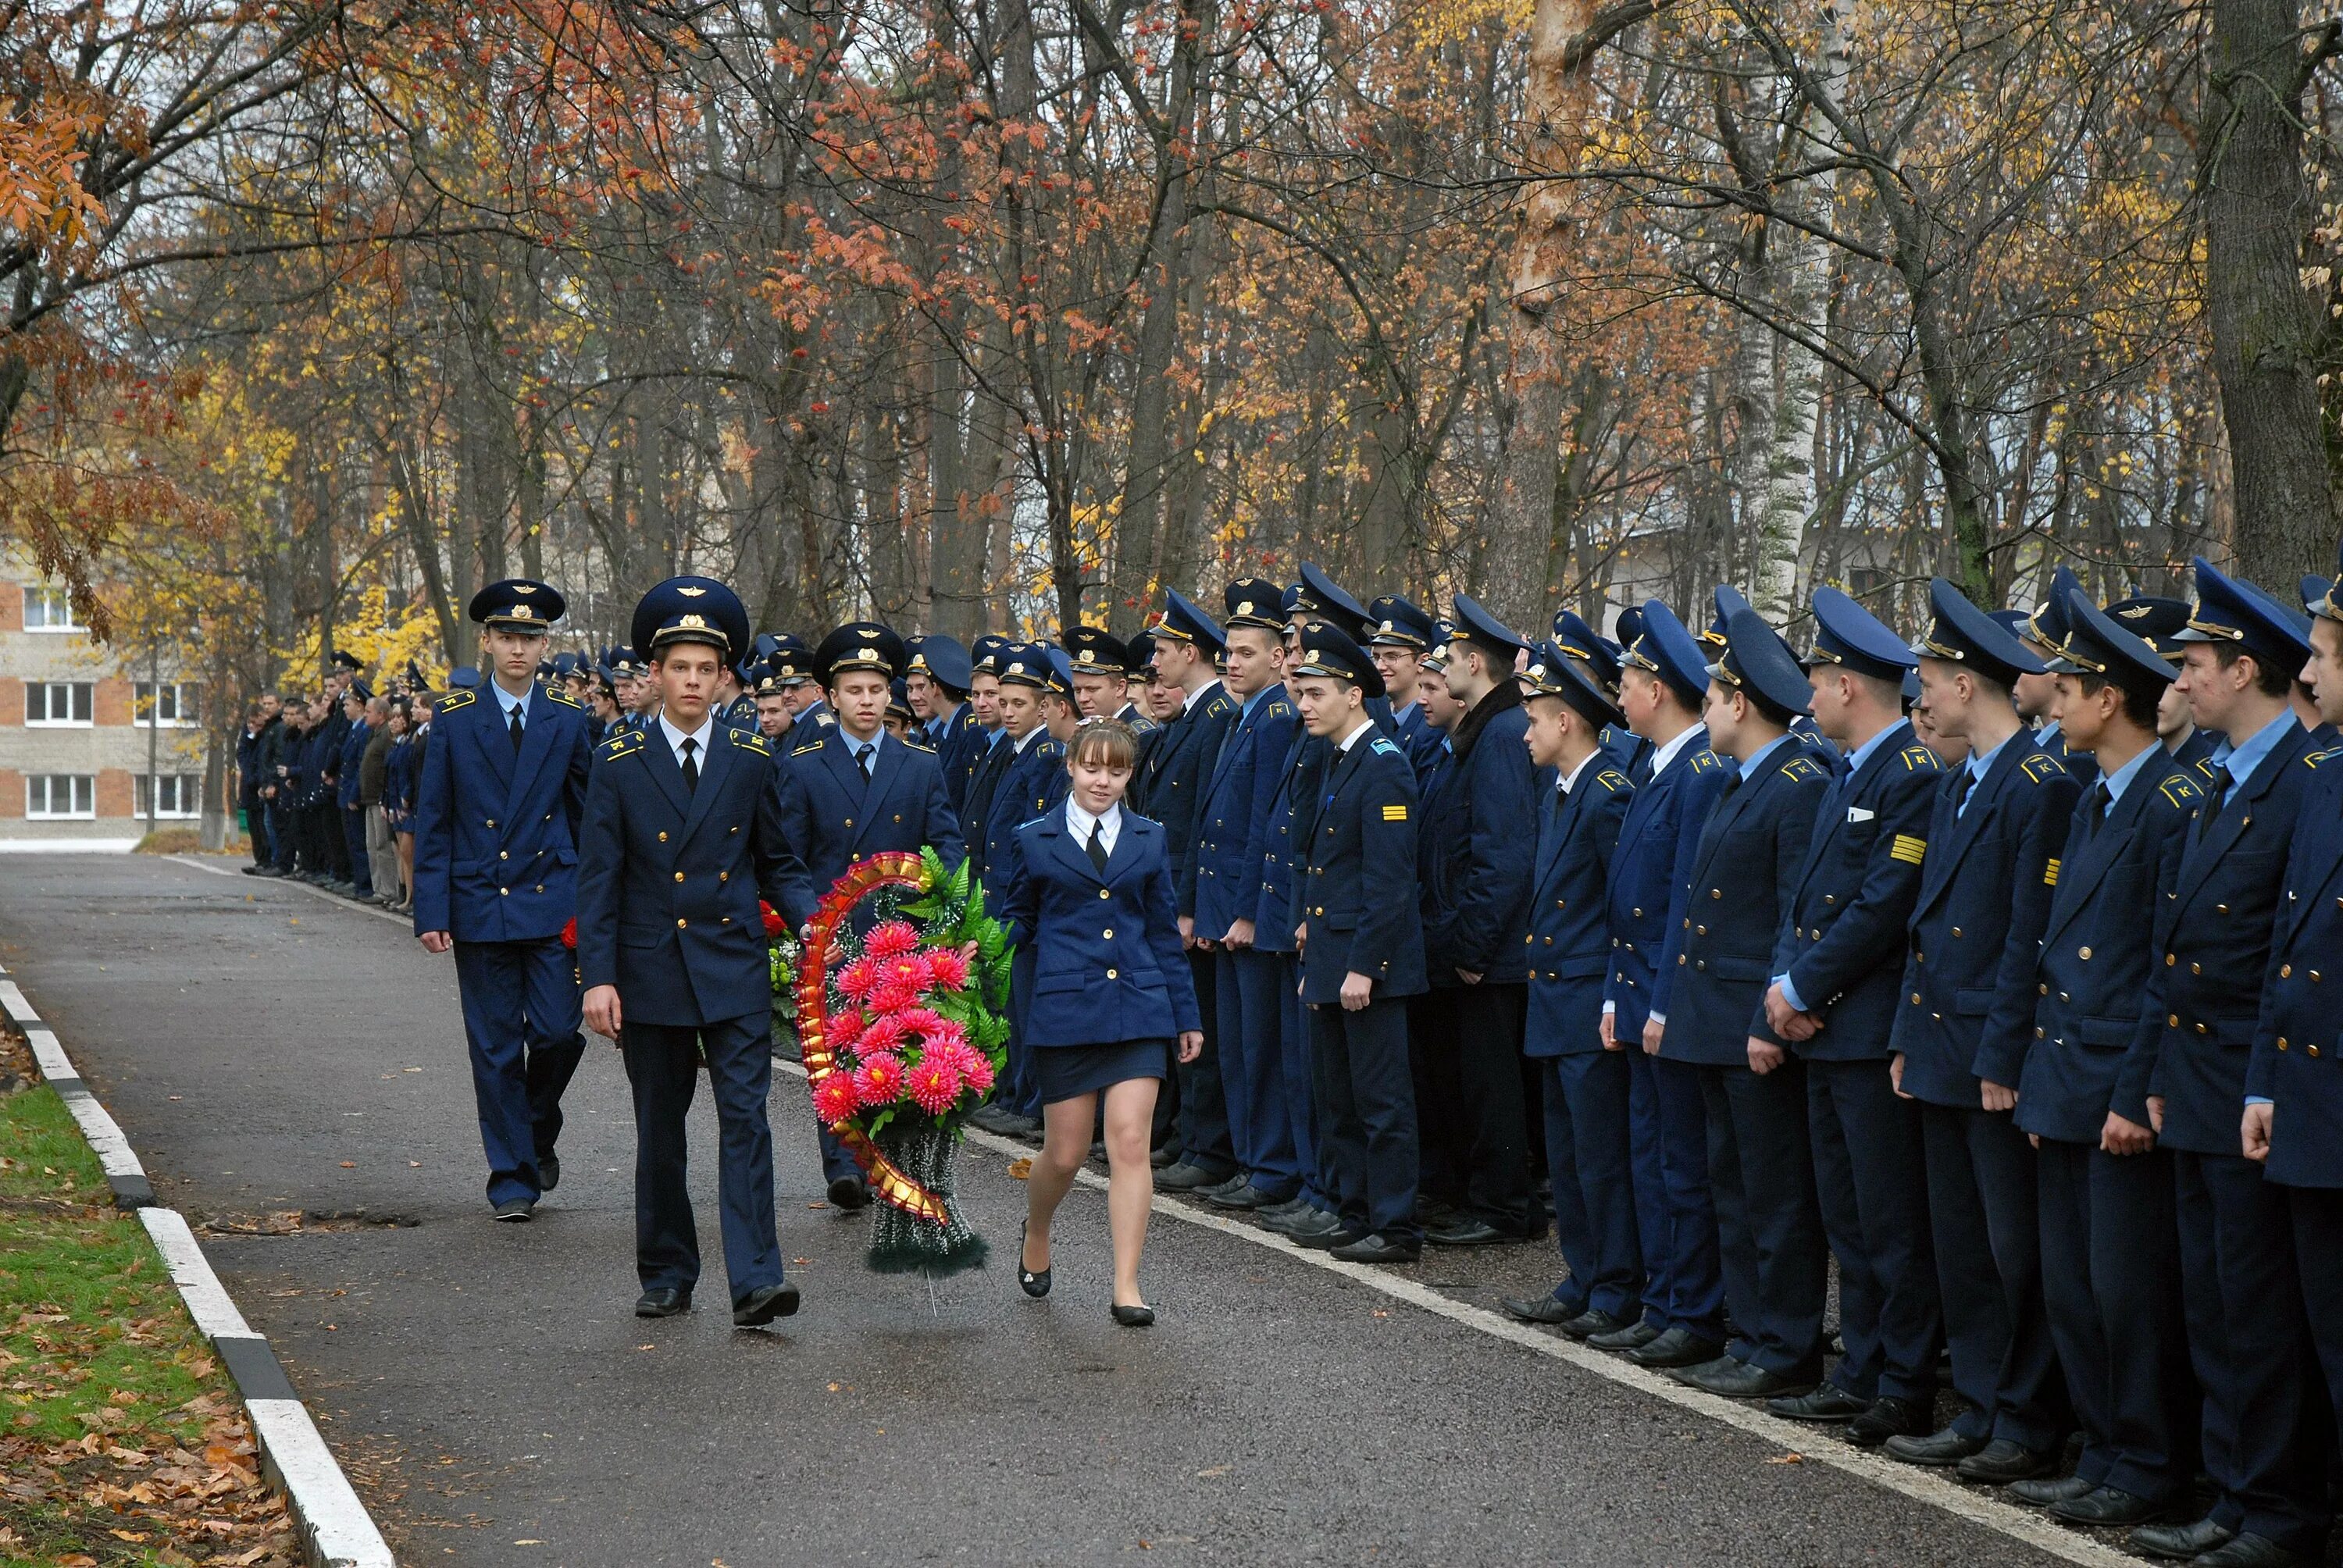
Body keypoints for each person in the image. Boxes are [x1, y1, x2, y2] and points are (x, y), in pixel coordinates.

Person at [2132, 560, 2327, 1567]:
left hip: (2256, 1079)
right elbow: (2179, 947)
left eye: (2194, 664)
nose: (2181, 682)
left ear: (2245, 670)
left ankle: (2280, 1509)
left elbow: (2276, 955)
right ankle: (2235, 1491)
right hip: (2196, 1077)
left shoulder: (2301, 783)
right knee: (2214, 1305)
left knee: (2258, 1313)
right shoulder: (2216, 778)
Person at [2011, 590, 2202, 1527]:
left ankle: (2148, 1462)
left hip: (2113, 1079)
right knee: (2076, 1287)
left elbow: (2162, 967)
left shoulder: (2169, 805)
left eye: (2074, 684)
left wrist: (2134, 1091)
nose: (2056, 696)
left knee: (2129, 1294)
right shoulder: (2096, 796)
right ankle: (2102, 1449)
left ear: (2112, 700)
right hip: (2065, 1070)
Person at [576, 577, 813, 1327]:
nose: (691, 682)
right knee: (662, 1126)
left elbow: (778, 862)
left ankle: (755, 1280)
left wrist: (819, 924)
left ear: (723, 678)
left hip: (732, 962)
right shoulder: (617, 759)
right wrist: (599, 978)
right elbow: (600, 876)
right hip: (651, 970)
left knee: (747, 1119)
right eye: (678, 667)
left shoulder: (749, 756)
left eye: (705, 670)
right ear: (656, 674)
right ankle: (669, 1270)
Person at [1884, 579, 2079, 1484]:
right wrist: (1904, 1035)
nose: (1918, 696)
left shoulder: (2037, 786)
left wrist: (2003, 1052)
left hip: (1988, 1050)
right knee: (1960, 1243)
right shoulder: (1960, 779)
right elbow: (1928, 927)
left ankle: (2026, 1418)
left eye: (1927, 677)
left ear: (1967, 684)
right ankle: (1983, 1408)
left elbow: (2022, 937)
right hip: (1937, 1039)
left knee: (2012, 1250)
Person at [1762, 588, 1944, 1446]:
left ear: (1848, 685)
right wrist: (1786, 986)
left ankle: (1904, 1382)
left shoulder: (1906, 772)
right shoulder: (1850, 771)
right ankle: (1863, 1367)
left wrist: (1802, 989)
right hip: (1828, 1029)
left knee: (1888, 1220)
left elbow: (1881, 905)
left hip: (1864, 1028)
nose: (1807, 695)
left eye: (1818, 679)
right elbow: (1806, 897)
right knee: (1849, 1217)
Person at [1657, 608, 1833, 1400]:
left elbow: (1797, 909)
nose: (1703, 710)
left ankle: (1787, 1344)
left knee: (1774, 1193)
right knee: (1732, 1183)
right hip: (1712, 1014)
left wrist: (1770, 1019)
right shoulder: (1737, 781)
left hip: (1751, 1022)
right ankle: (1751, 1331)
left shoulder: (1798, 784)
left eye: (1713, 696)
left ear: (1742, 703)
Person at [1002, 721, 1204, 1325]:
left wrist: (1185, 1015)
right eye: (1092, 768)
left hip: (1139, 1008)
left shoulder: (1148, 837)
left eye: (1116, 771)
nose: (1103, 781)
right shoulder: (1034, 838)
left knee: (1129, 1144)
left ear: (1129, 774)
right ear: (1070, 765)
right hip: (1065, 1011)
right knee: (1063, 1156)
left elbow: (1165, 934)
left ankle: (1126, 1286)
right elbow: (1017, 919)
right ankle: (1037, 1229)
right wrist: (975, 959)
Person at [409, 580, 597, 1222]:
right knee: (493, 1047)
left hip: (551, 899)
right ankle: (512, 1177)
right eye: (507, 637)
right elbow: (435, 818)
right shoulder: (456, 719)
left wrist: (597, 902)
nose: (519, 649)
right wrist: (430, 910)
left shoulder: (568, 718)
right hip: (480, 900)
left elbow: (589, 816)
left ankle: (535, 1127)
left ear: (546, 645)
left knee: (554, 1032)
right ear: (487, 642)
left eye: (531, 638)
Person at [775, 621, 965, 1208]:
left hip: (898, 935)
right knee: (835, 1049)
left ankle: (888, 1158)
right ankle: (845, 1164)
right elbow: (789, 857)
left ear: (891, 696)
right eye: (853, 690)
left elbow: (946, 846)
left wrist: (944, 909)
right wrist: (809, 919)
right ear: (832, 697)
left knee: (891, 1049)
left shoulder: (919, 764)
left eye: (876, 691)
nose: (866, 702)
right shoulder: (804, 764)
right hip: (833, 934)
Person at [1592, 601, 1731, 1368]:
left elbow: (1685, 900)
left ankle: (1692, 1309)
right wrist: (1620, 991)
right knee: (1650, 1154)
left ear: (1661, 688)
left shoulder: (1699, 772)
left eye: (1629, 679)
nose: (1618, 693)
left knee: (1682, 1162)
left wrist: (1665, 1001)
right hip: (1639, 987)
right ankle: (1663, 1297)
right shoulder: (1658, 765)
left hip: (1669, 996)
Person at [1500, 644, 1638, 1336]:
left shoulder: (1607, 793)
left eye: (1534, 720)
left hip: (1587, 1001)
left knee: (1600, 1156)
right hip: (1556, 999)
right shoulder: (1564, 791)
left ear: (1567, 724)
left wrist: (1615, 996)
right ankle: (1584, 1276)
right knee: (1571, 1154)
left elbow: (1625, 909)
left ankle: (1614, 1286)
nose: (1526, 733)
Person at [1286, 618, 1428, 1263]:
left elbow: (1391, 881)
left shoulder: (1384, 766)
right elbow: (1330, 864)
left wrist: (1365, 966)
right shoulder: (1340, 759)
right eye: (1302, 692)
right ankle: (1355, 1209)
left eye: (1317, 693)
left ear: (1353, 695)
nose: (1305, 704)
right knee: (1338, 1096)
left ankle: (1395, 1225)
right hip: (1333, 952)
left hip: (1368, 962)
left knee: (1380, 1100)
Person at [1413, 594, 1541, 1245]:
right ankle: (1475, 1194)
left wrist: (1471, 945)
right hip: (1471, 945)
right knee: (1468, 1081)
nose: (1441, 668)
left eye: (1451, 659)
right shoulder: (1480, 733)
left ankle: (1502, 1206)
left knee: (1493, 1087)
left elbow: (1504, 854)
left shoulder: (1498, 736)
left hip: (1491, 955)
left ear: (1473, 664)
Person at [1187, 580, 1303, 1212]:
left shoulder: (1277, 720)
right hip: (1225, 910)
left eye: (1247, 653)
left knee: (1259, 1047)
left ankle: (1271, 1163)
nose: (1232, 662)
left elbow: (1264, 827)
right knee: (1235, 1045)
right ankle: (1251, 1157)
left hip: (1251, 917)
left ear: (1278, 657)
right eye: (1228, 652)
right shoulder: (1243, 716)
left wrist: (1247, 913)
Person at [1139, 593, 1239, 1191]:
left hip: (1188, 895)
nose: (1154, 663)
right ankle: (1190, 1136)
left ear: (1190, 653)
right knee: (1184, 1022)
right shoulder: (1190, 720)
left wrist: (1189, 904)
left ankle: (1208, 1145)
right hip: (1171, 889)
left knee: (1200, 1025)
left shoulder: (1217, 717)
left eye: (1161, 651)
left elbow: (1205, 824)